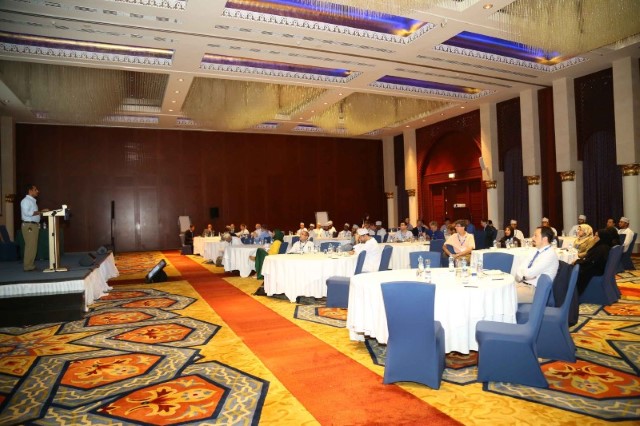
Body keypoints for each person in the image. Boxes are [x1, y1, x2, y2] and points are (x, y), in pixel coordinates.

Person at [515, 226, 559, 303]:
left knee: (504, 295)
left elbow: (529, 273)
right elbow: (521, 267)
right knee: (501, 291)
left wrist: (523, 275)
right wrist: (524, 275)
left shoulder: (549, 254)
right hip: (525, 285)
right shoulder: (536, 251)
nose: (532, 238)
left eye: (536, 235)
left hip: (536, 291)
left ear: (544, 239)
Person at [575, 228, 615, 295]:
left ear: (602, 237)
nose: (594, 237)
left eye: (597, 236)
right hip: (598, 268)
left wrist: (577, 262)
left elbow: (590, 262)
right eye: (595, 235)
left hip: (596, 270)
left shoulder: (601, 248)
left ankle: (575, 292)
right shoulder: (603, 246)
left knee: (574, 269)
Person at [20, 184, 47, 272]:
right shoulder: (25, 201)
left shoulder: (32, 201)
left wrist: (40, 213)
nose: (37, 191)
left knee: (33, 246)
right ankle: (27, 266)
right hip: (29, 226)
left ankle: (30, 265)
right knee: (30, 246)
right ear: (30, 191)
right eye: (35, 189)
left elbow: (33, 213)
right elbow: (27, 213)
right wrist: (40, 212)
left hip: (33, 225)